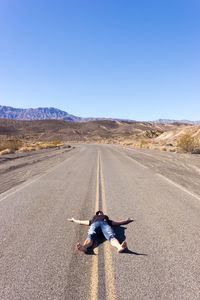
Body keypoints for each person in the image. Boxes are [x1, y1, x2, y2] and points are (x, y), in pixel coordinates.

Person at [68, 210, 133, 253]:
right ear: (96, 214)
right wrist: (74, 220)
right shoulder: (93, 219)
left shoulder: (107, 219)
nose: (100, 213)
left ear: (103, 214)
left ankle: (119, 247)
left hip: (105, 224)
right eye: (98, 212)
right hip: (95, 224)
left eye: (100, 212)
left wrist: (127, 221)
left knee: (111, 236)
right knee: (90, 235)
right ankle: (84, 247)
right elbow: (81, 222)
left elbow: (118, 223)